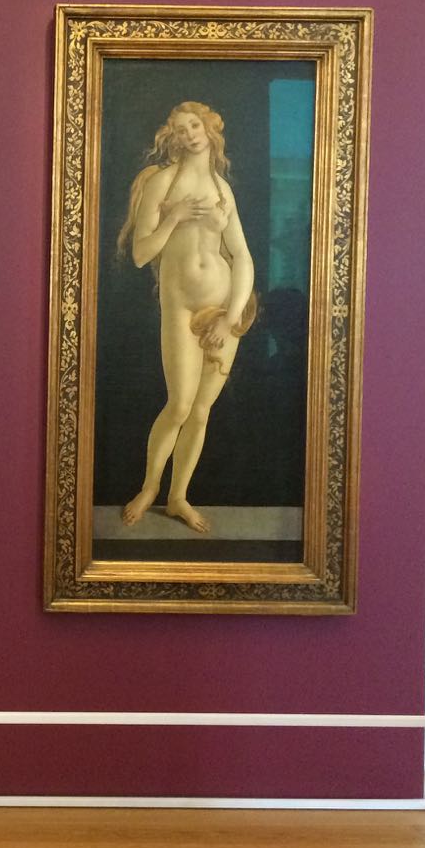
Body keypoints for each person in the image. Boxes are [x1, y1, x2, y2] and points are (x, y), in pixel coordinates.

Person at [115, 101, 255, 534]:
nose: (189, 134)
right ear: (172, 137)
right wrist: (173, 217)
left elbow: (243, 257)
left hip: (222, 310)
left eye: (195, 125)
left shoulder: (221, 189)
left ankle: (178, 498)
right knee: (178, 405)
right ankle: (150, 488)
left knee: (201, 410)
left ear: (209, 129)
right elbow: (141, 254)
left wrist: (230, 318)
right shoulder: (162, 182)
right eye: (180, 129)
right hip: (179, 308)